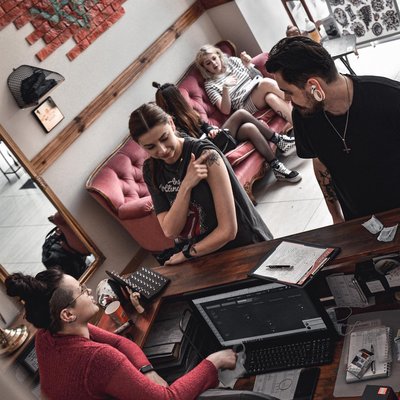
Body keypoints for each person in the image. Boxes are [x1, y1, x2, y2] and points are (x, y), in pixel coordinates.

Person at [5, 269, 237, 400]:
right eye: (81, 291)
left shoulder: (47, 335)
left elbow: (117, 341)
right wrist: (214, 361)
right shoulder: (98, 358)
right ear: (67, 314)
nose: (89, 290)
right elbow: (169, 399)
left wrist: (147, 370)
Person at [265, 36, 400, 223]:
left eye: (288, 91)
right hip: (360, 218)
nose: (287, 99)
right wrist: (336, 216)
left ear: (314, 86)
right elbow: (320, 164)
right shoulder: (304, 115)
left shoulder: (389, 97)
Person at [129, 103, 273, 265]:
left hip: (246, 246)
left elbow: (228, 231)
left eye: (164, 138)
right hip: (204, 255)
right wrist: (186, 186)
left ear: (171, 123)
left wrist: (187, 254)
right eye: (150, 147)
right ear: (139, 145)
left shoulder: (205, 155)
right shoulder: (151, 170)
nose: (162, 150)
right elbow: (170, 230)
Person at [153, 82, 301, 183]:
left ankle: (276, 166)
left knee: (249, 127)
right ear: (176, 99)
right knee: (241, 114)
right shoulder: (172, 125)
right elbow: (190, 145)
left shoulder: (188, 112)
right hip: (206, 151)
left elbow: (204, 126)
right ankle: (277, 140)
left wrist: (211, 130)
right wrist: (207, 136)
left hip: (214, 141)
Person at [195, 44, 293, 124]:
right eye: (208, 63)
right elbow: (225, 110)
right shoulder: (210, 85)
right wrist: (225, 87)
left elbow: (258, 76)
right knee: (266, 83)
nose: (214, 63)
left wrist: (248, 66)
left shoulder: (232, 61)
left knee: (270, 98)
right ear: (204, 68)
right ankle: (296, 98)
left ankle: (297, 123)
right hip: (244, 105)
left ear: (219, 56)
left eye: (214, 58)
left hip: (258, 90)